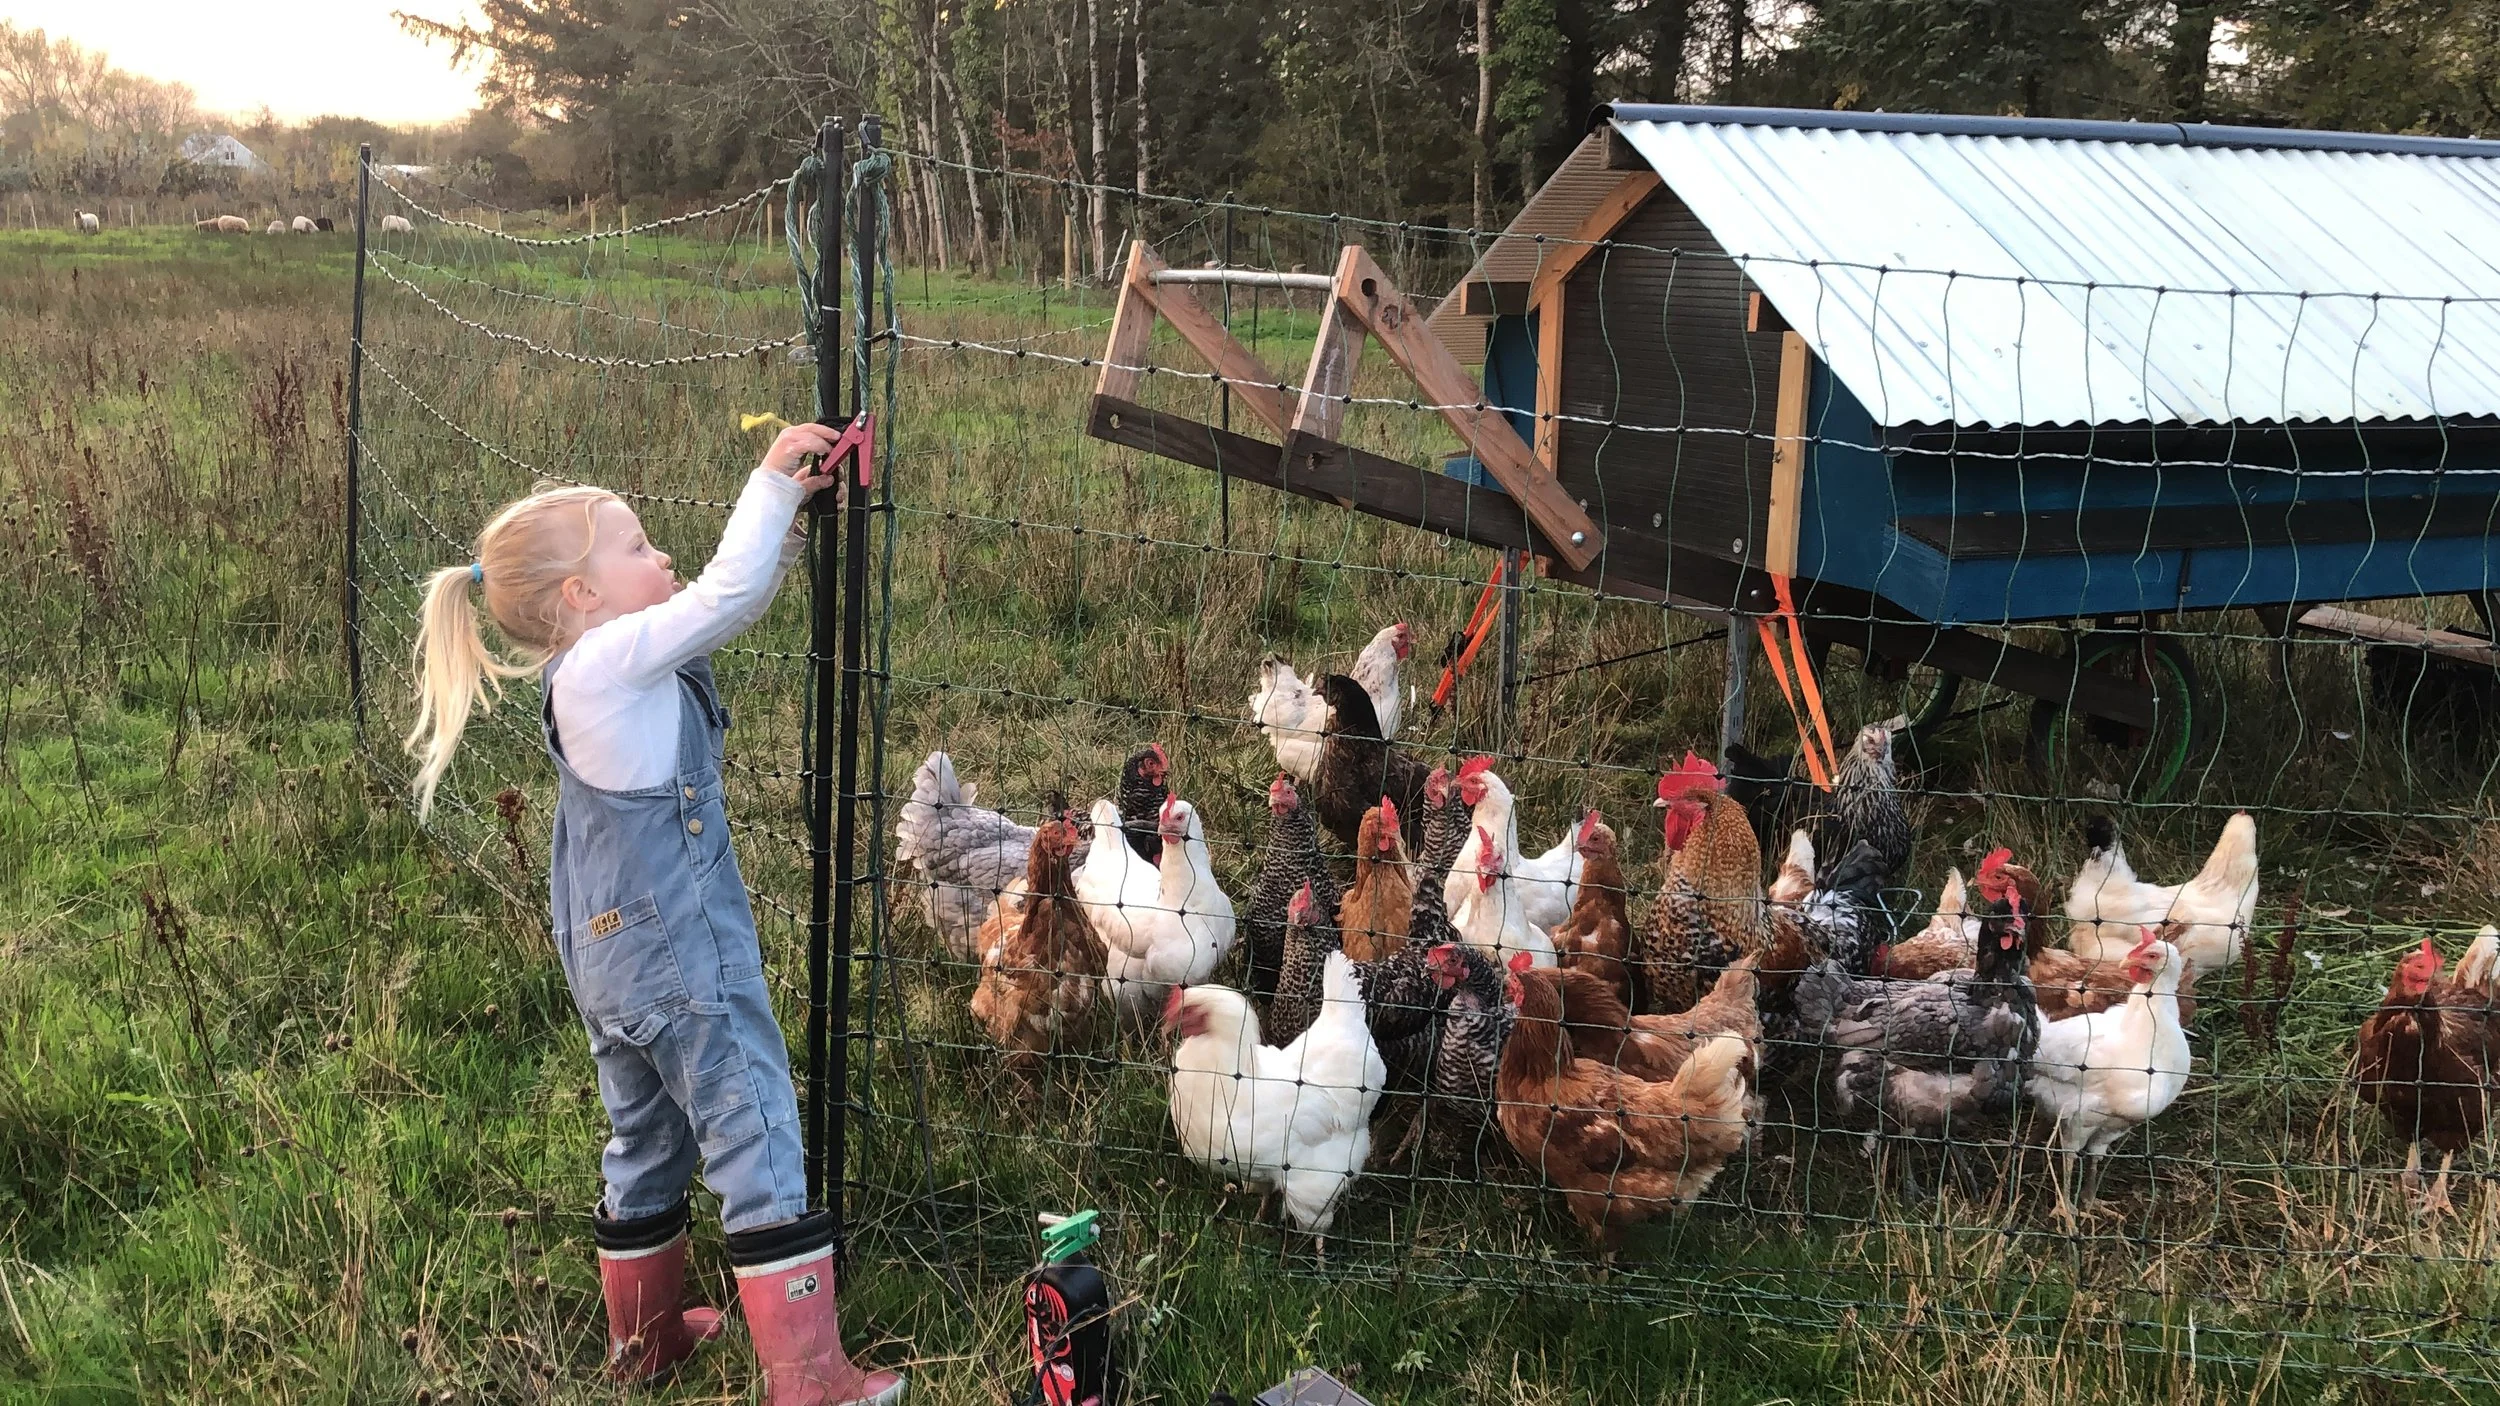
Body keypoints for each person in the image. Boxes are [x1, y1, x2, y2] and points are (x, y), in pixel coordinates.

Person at [404, 423, 901, 1404]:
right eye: (635, 546)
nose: (660, 553)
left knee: (648, 1138)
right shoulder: (607, 666)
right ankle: (809, 1378)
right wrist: (770, 484)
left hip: (610, 966)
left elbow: (715, 604)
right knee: (751, 1123)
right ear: (579, 596)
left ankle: (649, 1341)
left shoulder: (580, 674)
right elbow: (726, 595)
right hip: (682, 961)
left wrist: (793, 519)